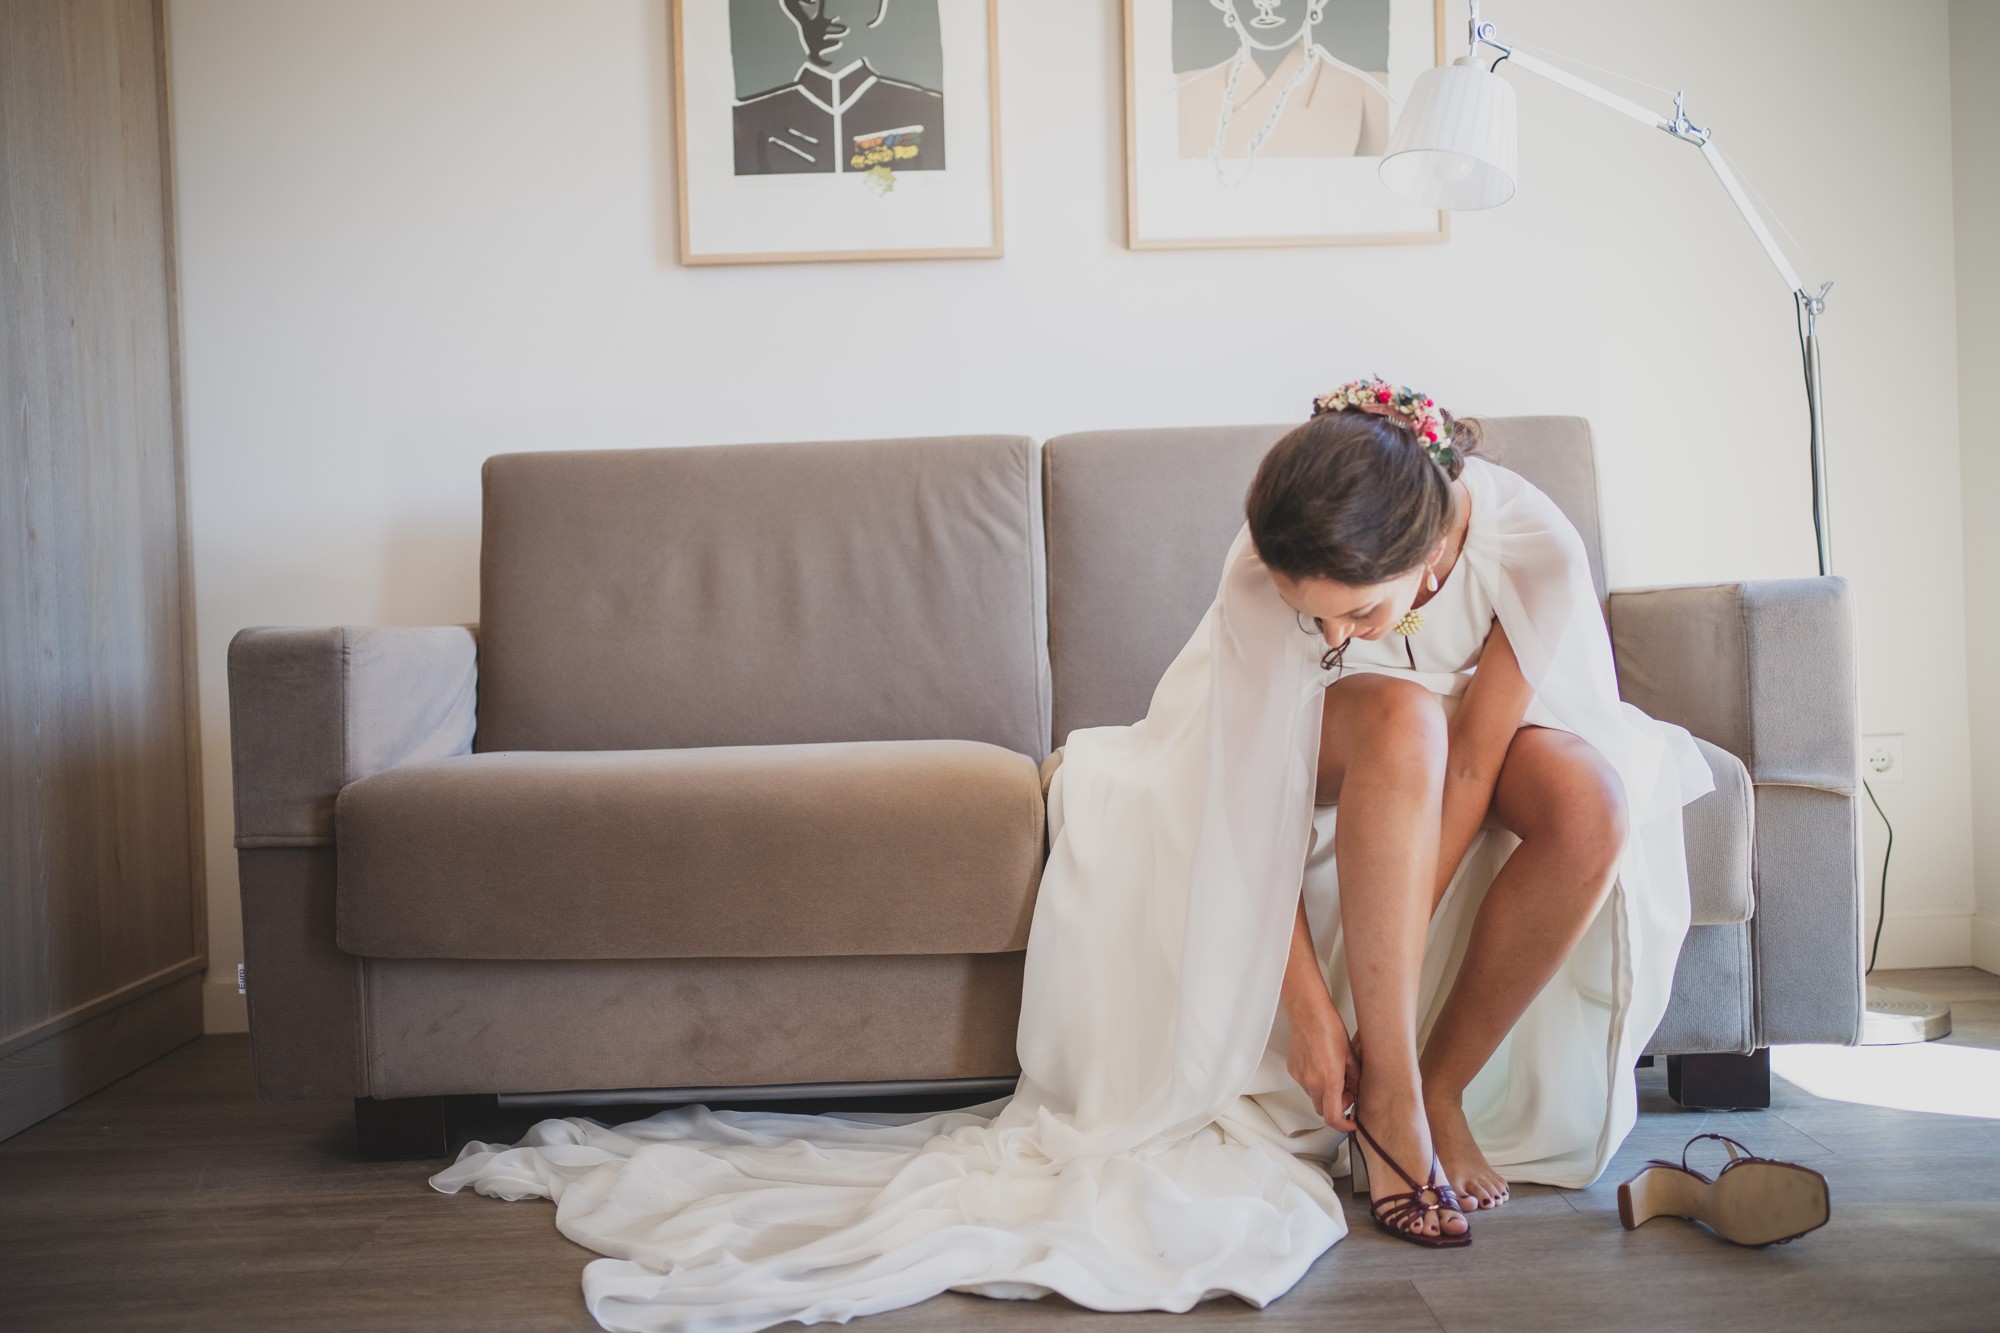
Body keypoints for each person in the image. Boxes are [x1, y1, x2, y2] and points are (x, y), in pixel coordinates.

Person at [430, 380, 1713, 1325]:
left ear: (1428, 552)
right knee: (1392, 713)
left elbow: (1479, 762)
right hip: (1296, 747)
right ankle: (1388, 1110)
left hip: (1465, 733)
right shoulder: (1268, 574)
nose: (1328, 638)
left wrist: (1396, 987)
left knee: (1589, 796)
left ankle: (1433, 1085)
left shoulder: (1527, 540)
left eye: (1357, 615)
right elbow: (1244, 803)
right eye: (1312, 620)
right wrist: (1314, 1015)